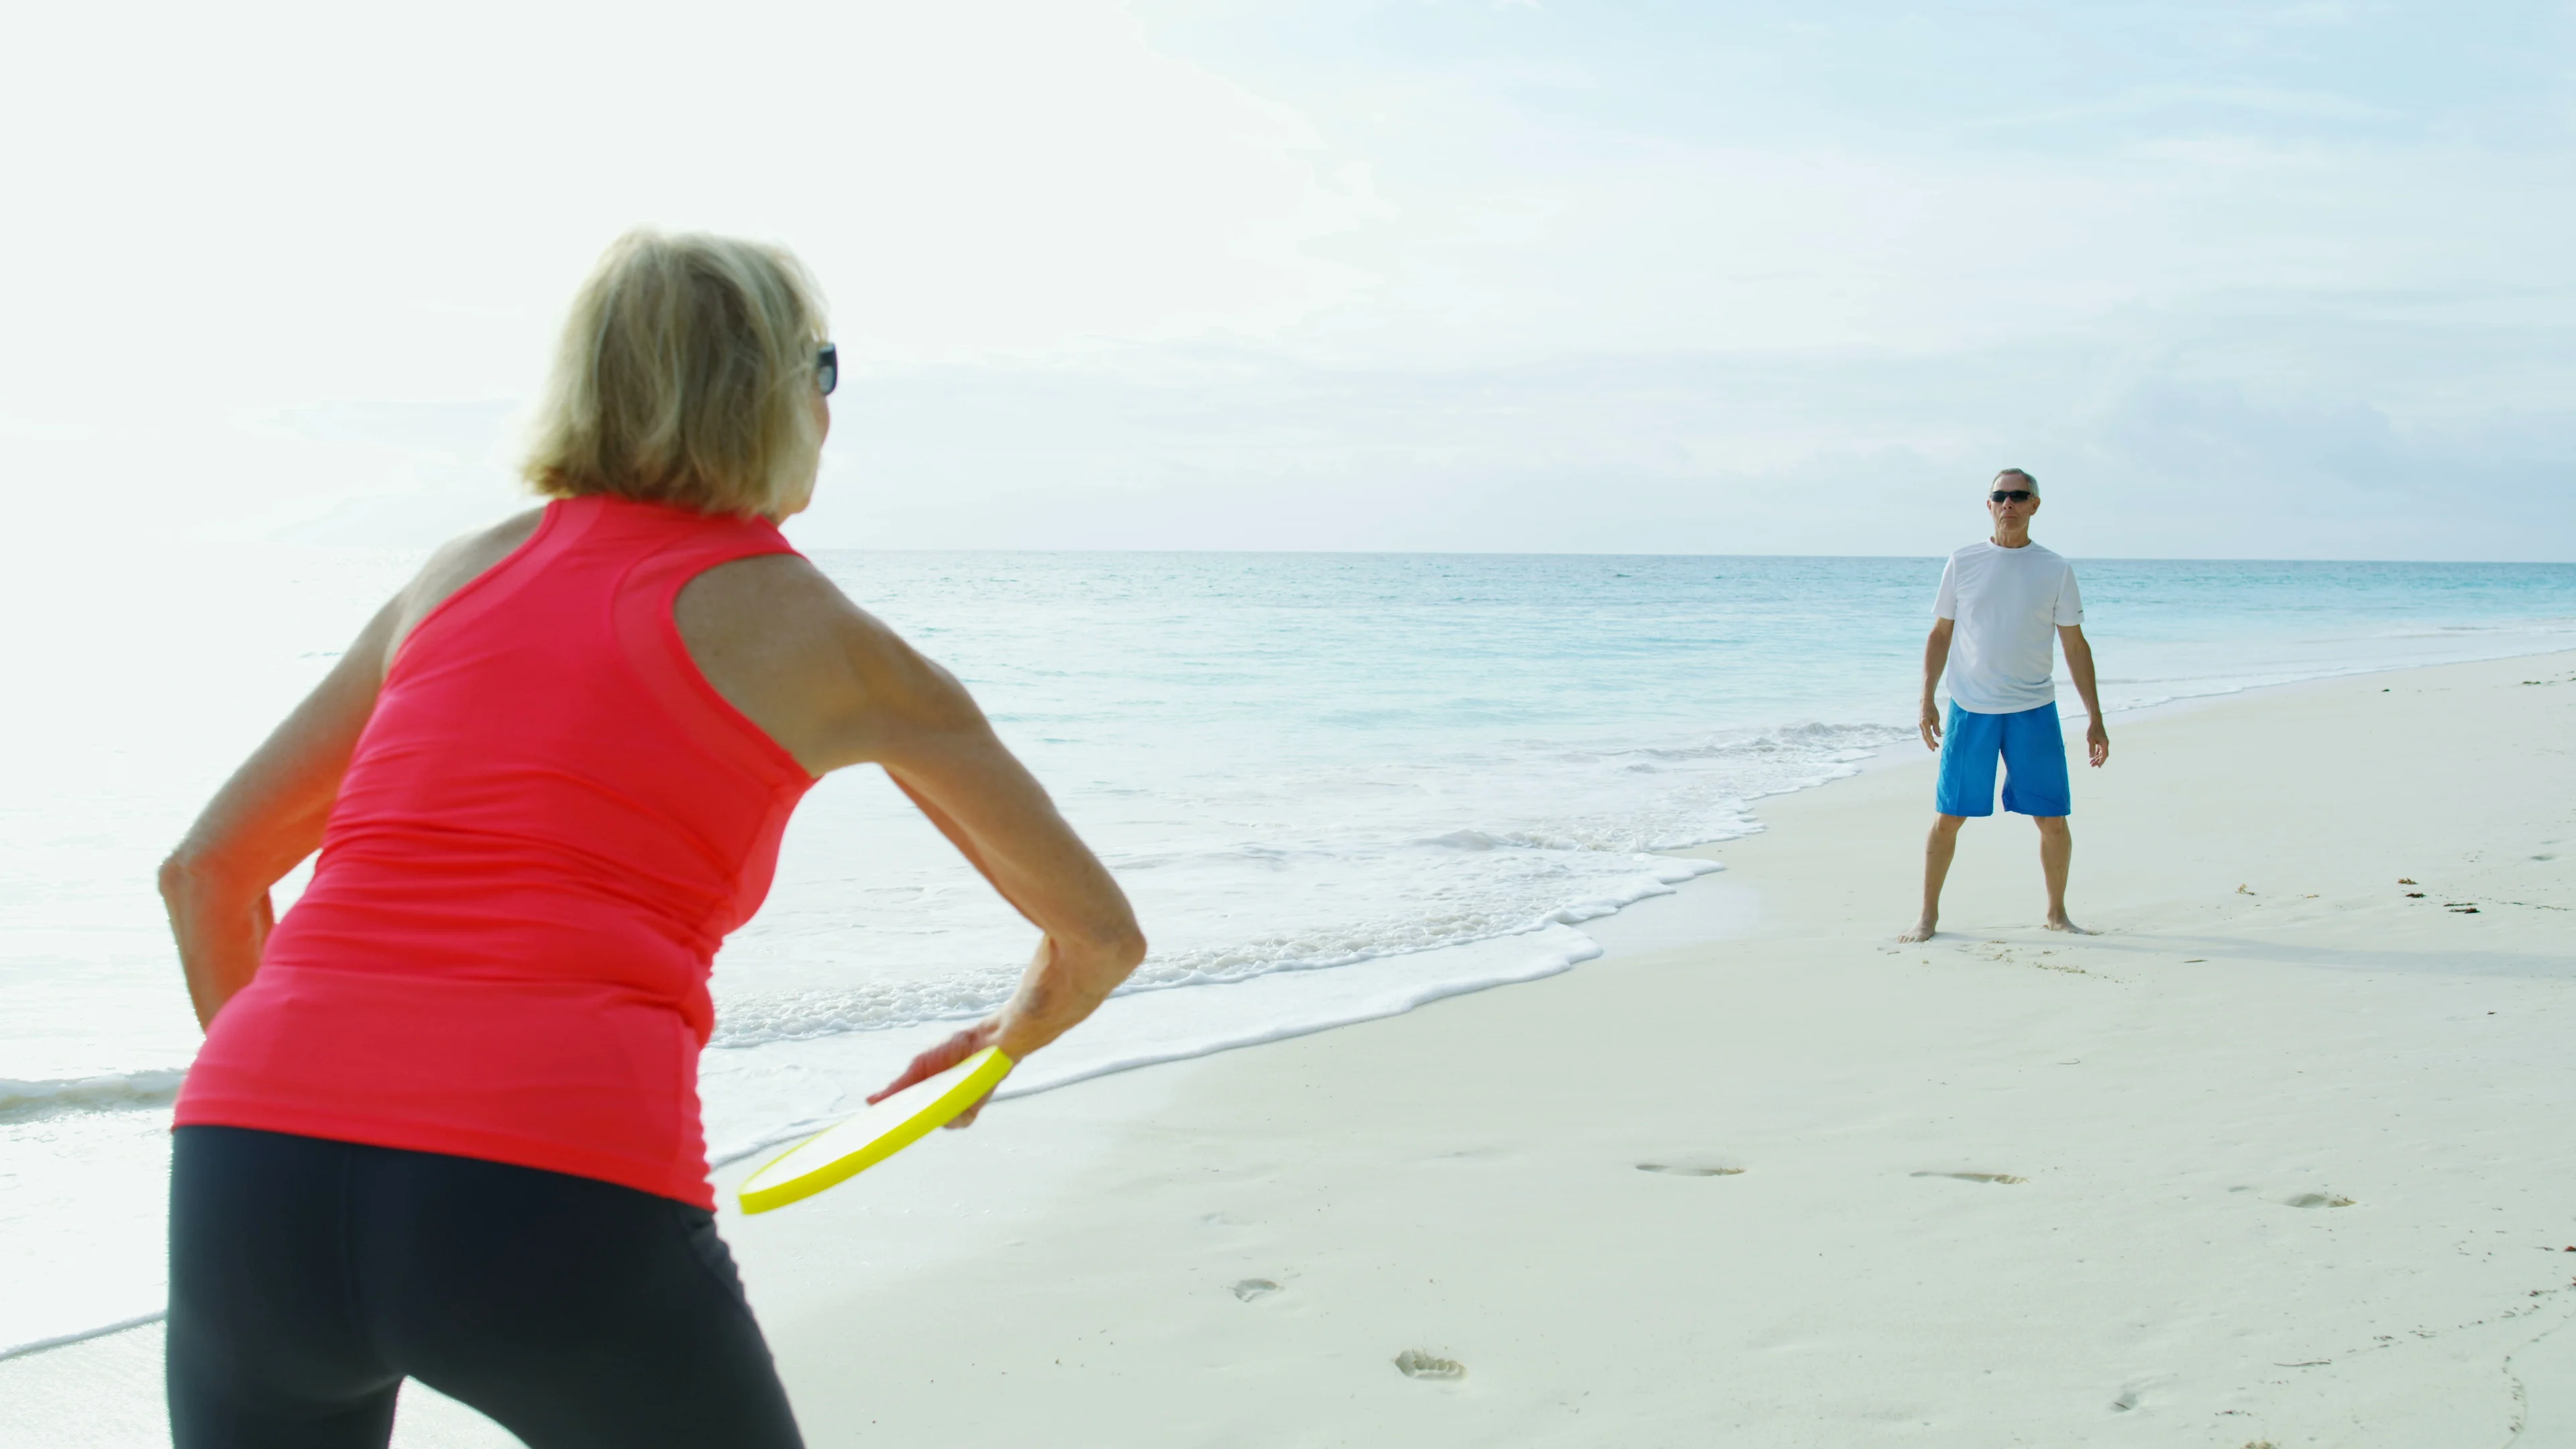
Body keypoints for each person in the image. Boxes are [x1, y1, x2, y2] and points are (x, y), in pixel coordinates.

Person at [156, 229, 1146, 1449]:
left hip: (250, 1173)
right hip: (553, 1184)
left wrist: (328, 1102)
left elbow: (205, 871)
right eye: (822, 372)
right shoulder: (829, 643)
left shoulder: (450, 579)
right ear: (785, 397)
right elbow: (1095, 935)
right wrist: (1000, 1045)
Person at [1898, 468, 2108, 943]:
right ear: (1988, 505)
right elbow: (1941, 633)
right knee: (1949, 817)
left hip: (2034, 708)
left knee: (2052, 819)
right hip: (1971, 709)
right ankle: (1927, 917)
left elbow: (2075, 645)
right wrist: (1927, 698)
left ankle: (2057, 914)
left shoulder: (2055, 569)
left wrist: (2095, 717)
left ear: (2035, 505)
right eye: (2000, 496)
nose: (2008, 503)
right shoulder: (1963, 561)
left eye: (2019, 496)